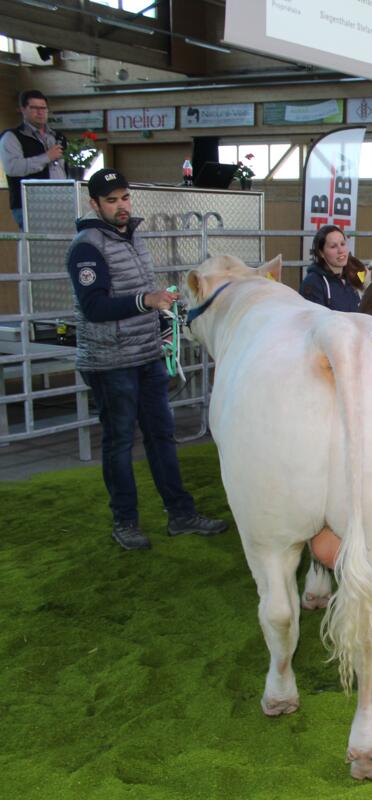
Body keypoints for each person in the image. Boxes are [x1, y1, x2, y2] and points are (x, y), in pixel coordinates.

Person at [66, 169, 228, 550]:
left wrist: (162, 320)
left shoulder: (133, 237)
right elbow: (94, 306)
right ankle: (125, 521)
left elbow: (138, 294)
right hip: (109, 361)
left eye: (124, 197)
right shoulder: (87, 247)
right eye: (111, 200)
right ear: (94, 204)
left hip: (146, 354)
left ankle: (181, 514)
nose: (121, 206)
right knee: (119, 442)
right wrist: (147, 301)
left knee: (161, 436)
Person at [1, 89, 67, 230]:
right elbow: (13, 168)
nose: (40, 112)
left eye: (43, 108)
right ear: (23, 110)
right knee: (35, 241)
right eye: (34, 108)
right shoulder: (12, 137)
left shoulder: (57, 137)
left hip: (60, 201)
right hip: (29, 204)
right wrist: (46, 157)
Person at [300, 224, 361, 312]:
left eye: (342, 244)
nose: (341, 250)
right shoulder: (313, 283)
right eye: (333, 246)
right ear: (321, 253)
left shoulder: (353, 276)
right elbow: (314, 318)